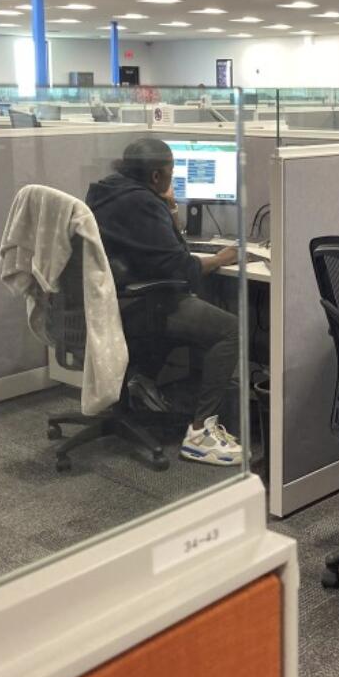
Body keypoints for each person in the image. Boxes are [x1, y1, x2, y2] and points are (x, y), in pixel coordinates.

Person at [85, 137, 243, 467]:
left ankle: (144, 380)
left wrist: (168, 207)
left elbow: (165, 252)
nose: (173, 179)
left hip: (114, 303)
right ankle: (201, 432)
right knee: (229, 329)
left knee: (195, 307)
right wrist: (222, 258)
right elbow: (183, 267)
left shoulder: (106, 191)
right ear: (157, 177)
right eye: (171, 172)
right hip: (139, 305)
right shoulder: (142, 203)